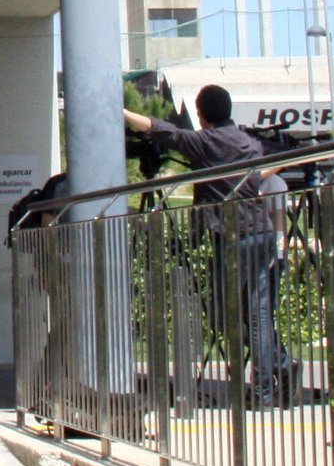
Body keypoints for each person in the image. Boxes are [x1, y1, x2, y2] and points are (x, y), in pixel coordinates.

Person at [123, 85, 295, 407]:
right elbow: (277, 159)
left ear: (201, 115)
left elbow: (162, 130)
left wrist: (120, 112)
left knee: (221, 312)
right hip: (261, 233)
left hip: (232, 238)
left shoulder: (206, 142)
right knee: (257, 314)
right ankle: (272, 378)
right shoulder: (247, 141)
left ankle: (273, 375)